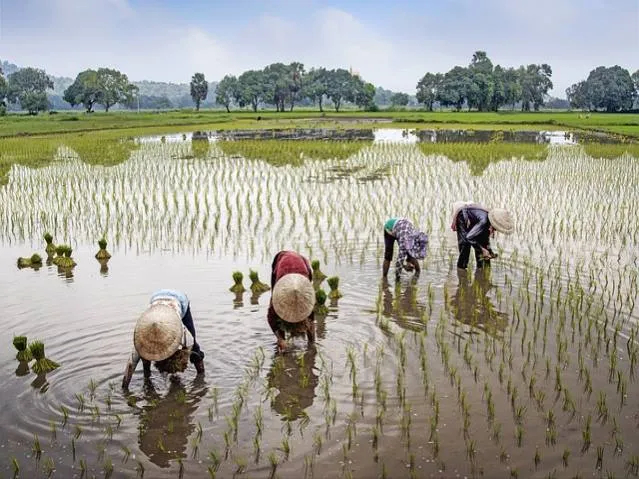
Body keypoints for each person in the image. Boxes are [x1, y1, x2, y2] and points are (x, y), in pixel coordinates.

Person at [122, 289, 205, 389]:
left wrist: (182, 355)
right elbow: (131, 364)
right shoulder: (141, 339)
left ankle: (201, 376)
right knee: (145, 356)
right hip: (156, 300)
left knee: (195, 346)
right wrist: (125, 387)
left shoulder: (181, 332)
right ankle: (147, 378)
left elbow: (192, 345)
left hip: (179, 300)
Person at [268, 251, 316, 353]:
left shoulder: (307, 299)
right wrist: (280, 339)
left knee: (307, 313)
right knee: (277, 313)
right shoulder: (277, 297)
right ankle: (283, 341)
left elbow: (311, 319)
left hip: (302, 264)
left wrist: (312, 345)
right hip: (281, 261)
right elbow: (271, 318)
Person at [451, 202, 514, 270]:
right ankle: (461, 270)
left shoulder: (487, 223)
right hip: (463, 216)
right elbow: (469, 237)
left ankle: (482, 269)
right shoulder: (484, 221)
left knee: (482, 242)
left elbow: (485, 241)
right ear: (493, 223)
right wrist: (482, 249)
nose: (495, 230)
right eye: (496, 228)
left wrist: (490, 252)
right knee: (465, 245)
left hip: (476, 221)